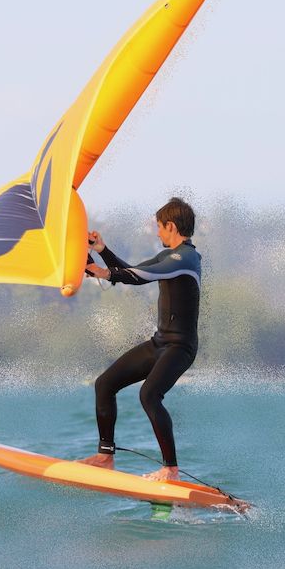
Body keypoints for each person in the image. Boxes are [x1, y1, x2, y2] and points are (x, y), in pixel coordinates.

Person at [81, 197, 201, 481]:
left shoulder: (186, 258)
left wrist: (103, 271)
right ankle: (104, 456)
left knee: (149, 394)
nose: (157, 233)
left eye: (159, 227)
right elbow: (133, 270)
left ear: (170, 226)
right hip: (160, 343)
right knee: (105, 384)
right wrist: (102, 251)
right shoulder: (169, 257)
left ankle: (170, 469)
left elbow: (139, 276)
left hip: (180, 348)